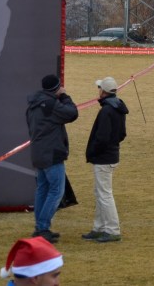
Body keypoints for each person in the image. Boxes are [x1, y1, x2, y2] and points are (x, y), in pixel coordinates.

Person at [27, 73, 79, 243]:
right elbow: (72, 113)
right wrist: (64, 96)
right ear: (56, 88)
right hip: (51, 153)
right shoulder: (50, 104)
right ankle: (43, 227)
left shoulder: (33, 104)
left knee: (42, 189)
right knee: (56, 191)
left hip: (38, 151)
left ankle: (39, 226)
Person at [82, 76, 128, 243]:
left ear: (104, 91)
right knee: (101, 193)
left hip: (104, 158)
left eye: (100, 88)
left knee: (104, 195)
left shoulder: (106, 111)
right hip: (110, 155)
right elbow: (122, 134)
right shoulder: (117, 108)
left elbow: (101, 138)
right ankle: (99, 227)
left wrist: (94, 152)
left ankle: (112, 229)